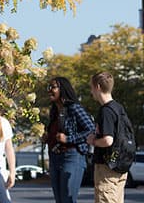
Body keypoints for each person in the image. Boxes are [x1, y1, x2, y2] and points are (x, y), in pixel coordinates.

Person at [45, 77, 95, 203]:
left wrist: (68, 139)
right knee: (60, 200)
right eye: (49, 87)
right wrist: (48, 137)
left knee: (67, 200)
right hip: (54, 157)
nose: (49, 90)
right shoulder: (54, 111)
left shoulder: (74, 108)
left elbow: (91, 130)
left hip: (72, 156)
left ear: (63, 89)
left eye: (53, 87)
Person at [86, 71, 128, 203]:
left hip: (106, 166)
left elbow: (108, 140)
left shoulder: (106, 111)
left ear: (98, 87)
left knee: (105, 199)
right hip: (120, 164)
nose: (91, 91)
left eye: (91, 87)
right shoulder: (118, 108)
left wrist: (93, 141)